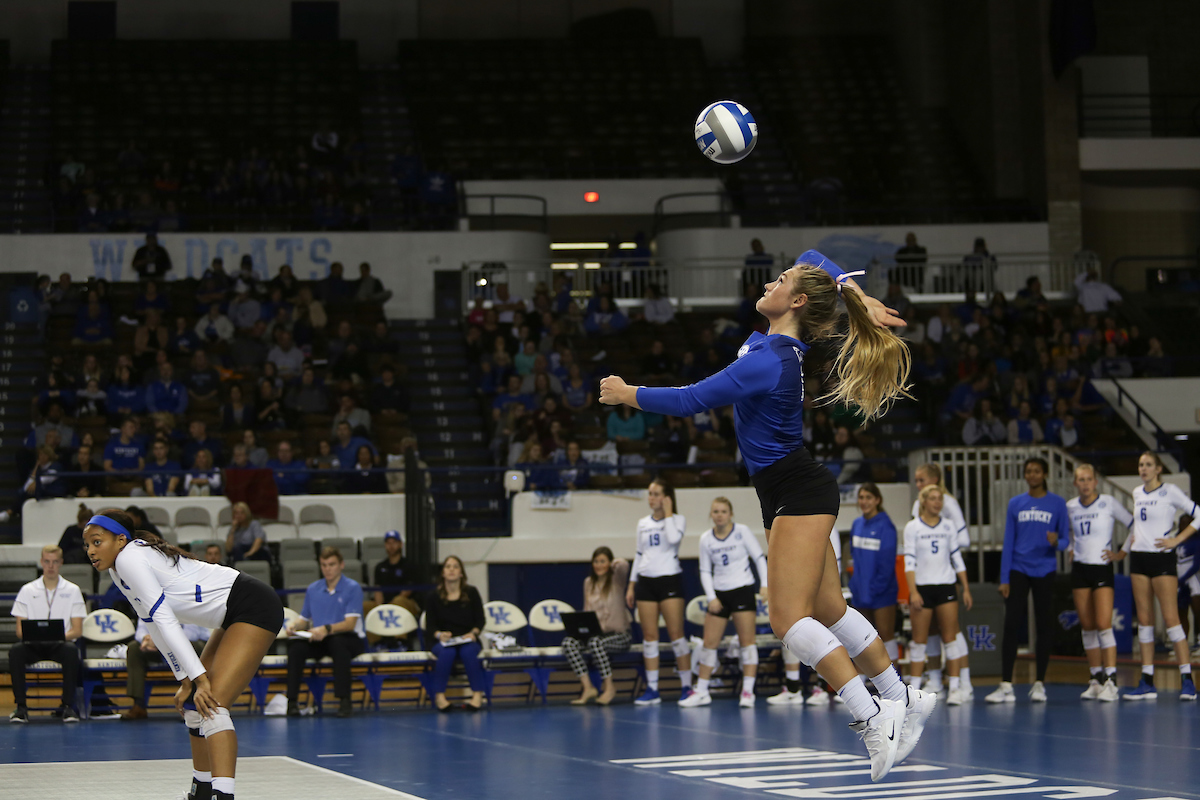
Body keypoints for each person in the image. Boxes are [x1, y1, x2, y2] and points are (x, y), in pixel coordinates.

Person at [600, 249, 926, 780]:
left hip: (796, 489)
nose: (772, 279)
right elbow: (810, 259)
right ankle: (901, 696)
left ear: (795, 301)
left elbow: (687, 401)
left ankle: (873, 719)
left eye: (781, 280)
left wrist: (626, 393)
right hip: (787, 489)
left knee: (786, 619)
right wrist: (855, 293)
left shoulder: (767, 360)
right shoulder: (776, 346)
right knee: (829, 609)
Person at [83, 508, 283, 800]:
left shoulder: (130, 558)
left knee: (213, 705)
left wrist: (200, 679)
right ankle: (200, 789)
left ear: (121, 540)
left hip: (253, 605)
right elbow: (153, 625)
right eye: (87, 544)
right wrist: (187, 681)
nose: (90, 550)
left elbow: (166, 619)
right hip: (230, 614)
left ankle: (223, 795)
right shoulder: (118, 569)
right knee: (192, 704)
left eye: (97, 542)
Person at [986, 457, 1071, 704]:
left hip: (1045, 569)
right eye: (1028, 471)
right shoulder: (1016, 503)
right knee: (1011, 624)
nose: (1032, 475)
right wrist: (1005, 578)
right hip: (1018, 569)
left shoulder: (1057, 504)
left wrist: (1056, 542)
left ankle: (1039, 683)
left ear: (1044, 474)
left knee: (1044, 625)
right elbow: (1009, 542)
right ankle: (1005, 685)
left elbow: (1065, 540)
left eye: (1036, 471)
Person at [1119, 452, 1198, 700]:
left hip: (1162, 558)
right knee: (1144, 621)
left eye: (1148, 465)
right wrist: (1126, 547)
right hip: (1139, 559)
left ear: (1158, 468)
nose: (1143, 468)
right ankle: (1147, 681)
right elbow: (1138, 527)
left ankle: (1188, 681)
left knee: (1172, 618)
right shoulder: (1137, 492)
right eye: (1141, 464)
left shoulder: (1171, 491)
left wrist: (1177, 538)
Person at [680, 497, 768, 708]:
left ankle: (747, 692)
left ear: (730, 514)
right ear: (711, 515)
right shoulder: (706, 539)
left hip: (743, 590)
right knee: (709, 643)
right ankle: (702, 690)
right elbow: (704, 570)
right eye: (716, 511)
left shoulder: (742, 531)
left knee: (747, 642)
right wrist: (711, 597)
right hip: (720, 594)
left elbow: (758, 557)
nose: (719, 515)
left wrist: (764, 584)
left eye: (723, 511)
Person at [621, 480, 694, 705]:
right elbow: (639, 553)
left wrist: (669, 512)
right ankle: (652, 689)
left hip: (669, 580)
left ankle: (686, 687)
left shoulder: (677, 520)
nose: (651, 498)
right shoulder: (643, 523)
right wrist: (632, 584)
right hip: (646, 582)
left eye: (655, 494)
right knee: (649, 638)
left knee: (676, 635)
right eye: (649, 494)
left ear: (666, 497)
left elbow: (673, 539)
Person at [1066, 464, 1133, 703]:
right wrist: (1070, 548)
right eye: (1080, 480)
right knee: (1087, 625)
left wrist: (1121, 553)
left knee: (1104, 623)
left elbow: (1134, 524)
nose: (1084, 484)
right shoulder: (1071, 506)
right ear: (1075, 483)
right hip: (1080, 569)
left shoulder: (1108, 502)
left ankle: (1111, 680)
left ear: (1096, 482)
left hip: (1102, 567)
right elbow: (1067, 534)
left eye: (1088, 479)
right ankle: (1095, 678)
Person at [904, 485, 973, 705]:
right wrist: (913, 591)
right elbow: (909, 561)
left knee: (950, 639)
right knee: (919, 642)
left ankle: (954, 688)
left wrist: (966, 587)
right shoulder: (912, 527)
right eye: (933, 499)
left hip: (946, 587)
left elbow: (956, 557)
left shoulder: (949, 526)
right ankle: (912, 692)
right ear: (923, 501)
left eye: (940, 499)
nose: (937, 503)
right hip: (923, 589)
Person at [8, 545, 87, 723]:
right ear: (41, 562)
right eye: (47, 562)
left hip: (60, 644)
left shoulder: (73, 590)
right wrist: (39, 636)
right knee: (16, 651)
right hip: (33, 646)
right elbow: (20, 631)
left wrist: (56, 636)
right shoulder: (27, 590)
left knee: (71, 651)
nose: (50, 566)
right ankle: (21, 708)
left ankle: (67, 707)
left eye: (55, 562)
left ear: (61, 563)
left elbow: (77, 630)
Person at [284, 546, 366, 718]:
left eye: (332, 564)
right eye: (324, 565)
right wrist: (294, 626)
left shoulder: (352, 588)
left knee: (338, 644)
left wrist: (327, 629)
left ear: (341, 565)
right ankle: (291, 702)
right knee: (296, 648)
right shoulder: (313, 589)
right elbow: (304, 619)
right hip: (322, 638)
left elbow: (350, 624)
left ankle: (344, 701)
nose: (328, 569)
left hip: (349, 638)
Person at [564, 546, 631, 706]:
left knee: (595, 643)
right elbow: (587, 609)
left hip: (619, 635)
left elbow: (624, 565)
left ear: (609, 563)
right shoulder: (588, 583)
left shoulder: (617, 580)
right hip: (596, 634)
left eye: (603, 561)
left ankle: (609, 687)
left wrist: (613, 564)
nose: (599, 565)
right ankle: (588, 687)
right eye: (596, 561)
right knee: (569, 643)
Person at [424, 555, 486, 711]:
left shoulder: (472, 593)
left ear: (461, 573)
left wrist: (473, 633)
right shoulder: (433, 597)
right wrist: (439, 635)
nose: (451, 569)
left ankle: (477, 695)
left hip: (467, 639)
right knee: (447, 653)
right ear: (443, 573)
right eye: (448, 567)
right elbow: (430, 625)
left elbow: (480, 620)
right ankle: (440, 697)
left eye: (455, 566)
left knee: (469, 652)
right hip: (443, 641)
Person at [848, 484, 900, 668]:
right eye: (861, 497)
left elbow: (886, 565)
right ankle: (861, 680)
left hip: (882, 594)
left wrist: (873, 591)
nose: (864, 502)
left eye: (868, 497)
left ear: (877, 500)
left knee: (885, 635)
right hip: (861, 593)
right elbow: (854, 558)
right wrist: (857, 587)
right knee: (862, 639)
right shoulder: (857, 525)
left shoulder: (886, 527)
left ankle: (896, 682)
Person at [122, 618, 210, 720]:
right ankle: (138, 705)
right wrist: (145, 638)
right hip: (158, 645)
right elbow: (140, 631)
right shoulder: (148, 603)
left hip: (192, 643)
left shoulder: (187, 602)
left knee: (193, 646)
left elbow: (192, 634)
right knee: (133, 648)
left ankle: (191, 706)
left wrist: (159, 640)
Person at [372, 531, 419, 618]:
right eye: (388, 543)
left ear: (400, 544)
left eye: (394, 542)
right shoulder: (380, 567)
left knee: (399, 601)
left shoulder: (409, 565)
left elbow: (408, 590)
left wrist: (391, 606)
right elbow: (378, 590)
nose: (391, 546)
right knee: (364, 606)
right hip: (384, 604)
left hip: (406, 602)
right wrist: (380, 608)